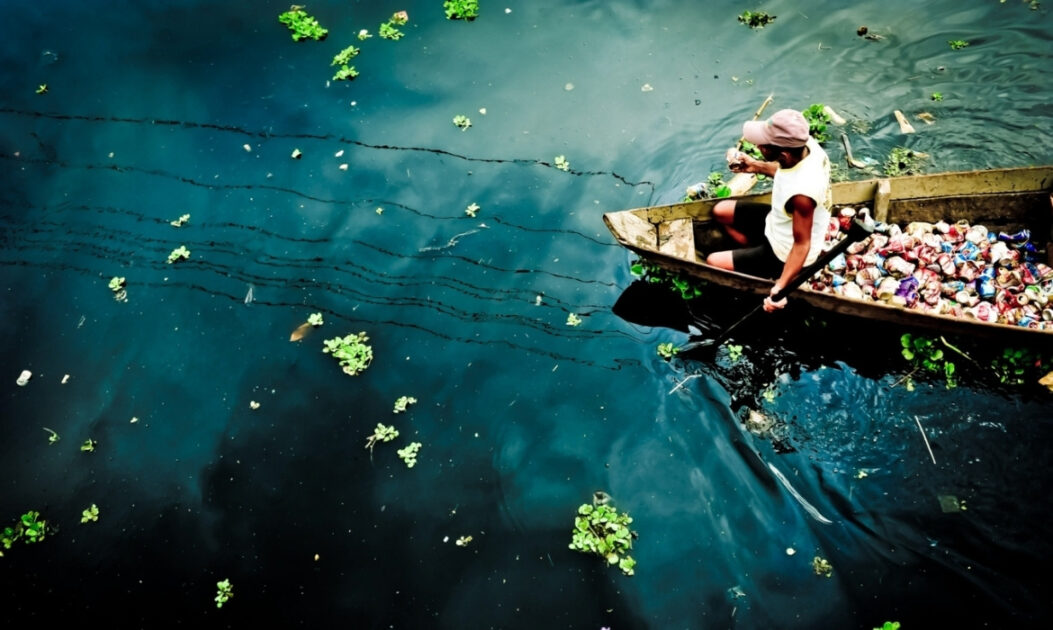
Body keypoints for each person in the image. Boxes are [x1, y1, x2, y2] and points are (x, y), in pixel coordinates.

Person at [705, 108, 831, 312]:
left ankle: (766, 270)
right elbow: (785, 171)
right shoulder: (806, 146)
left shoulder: (802, 195)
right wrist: (754, 165)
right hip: (778, 220)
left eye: (762, 145)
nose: (757, 145)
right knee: (721, 211)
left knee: (712, 262)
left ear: (783, 153)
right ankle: (753, 251)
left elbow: (801, 245)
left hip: (785, 249)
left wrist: (780, 287)